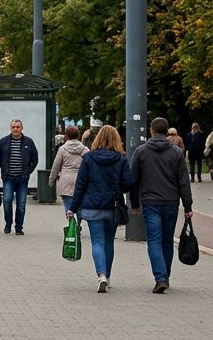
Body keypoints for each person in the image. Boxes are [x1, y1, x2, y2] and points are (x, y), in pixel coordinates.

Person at [130, 116, 194, 294]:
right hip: (171, 202)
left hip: (150, 202)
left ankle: (161, 278)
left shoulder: (141, 151)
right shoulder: (176, 153)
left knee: (154, 240)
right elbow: (183, 182)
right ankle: (165, 275)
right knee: (167, 240)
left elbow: (134, 180)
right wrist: (188, 206)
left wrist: (134, 203)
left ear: (151, 131)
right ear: (167, 132)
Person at [67, 125, 134, 294]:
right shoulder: (121, 159)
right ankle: (108, 276)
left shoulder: (88, 158)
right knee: (109, 242)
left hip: (92, 206)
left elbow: (80, 185)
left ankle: (101, 275)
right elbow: (128, 183)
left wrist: (72, 208)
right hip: (113, 205)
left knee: (97, 241)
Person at [0, 118, 39, 235]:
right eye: (13, 127)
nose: (16, 129)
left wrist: (28, 171)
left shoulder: (28, 142)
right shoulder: (4, 142)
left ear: (22, 128)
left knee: (21, 204)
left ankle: (19, 227)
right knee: (7, 201)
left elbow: (35, 159)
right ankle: (8, 224)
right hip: (8, 177)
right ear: (10, 128)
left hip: (22, 178)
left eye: (18, 127)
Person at [48, 125, 87, 214]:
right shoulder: (85, 150)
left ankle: (71, 224)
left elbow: (56, 166)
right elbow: (90, 164)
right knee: (80, 207)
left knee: (69, 208)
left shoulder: (62, 149)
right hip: (81, 182)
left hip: (66, 182)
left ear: (66, 136)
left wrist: (51, 180)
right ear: (78, 135)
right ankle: (79, 224)